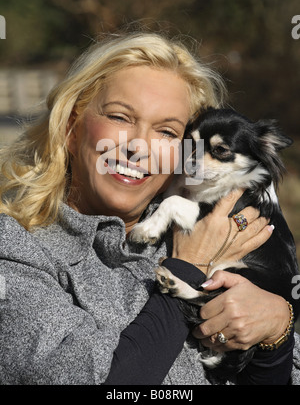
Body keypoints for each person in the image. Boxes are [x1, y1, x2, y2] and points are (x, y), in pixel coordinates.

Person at [0, 30, 299, 385]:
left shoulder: (230, 237)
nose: (139, 147)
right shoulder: (17, 252)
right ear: (71, 127)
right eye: (120, 117)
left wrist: (276, 335)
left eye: (167, 133)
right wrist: (188, 267)